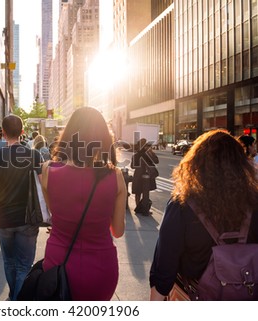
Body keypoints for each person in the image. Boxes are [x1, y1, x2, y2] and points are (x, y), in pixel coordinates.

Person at [149, 129, 258, 300]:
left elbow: (164, 270)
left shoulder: (182, 205)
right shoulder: (254, 203)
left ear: (196, 163)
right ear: (242, 164)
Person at [41, 107, 127, 300]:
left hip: (58, 262)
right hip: (100, 267)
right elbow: (118, 231)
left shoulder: (48, 171)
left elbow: (55, 215)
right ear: (104, 139)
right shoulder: (115, 177)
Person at [0, 114, 42, 301]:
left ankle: (14, 297)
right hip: (29, 219)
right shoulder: (34, 155)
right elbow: (43, 188)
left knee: (9, 262)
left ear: (3, 133)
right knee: (24, 266)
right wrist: (51, 215)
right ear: (23, 133)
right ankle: (17, 301)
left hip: (4, 220)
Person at [131, 138, 159, 208]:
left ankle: (140, 207)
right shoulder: (142, 154)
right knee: (144, 192)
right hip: (145, 175)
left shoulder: (138, 155)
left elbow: (132, 166)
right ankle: (143, 208)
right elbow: (156, 161)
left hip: (140, 175)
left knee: (140, 192)